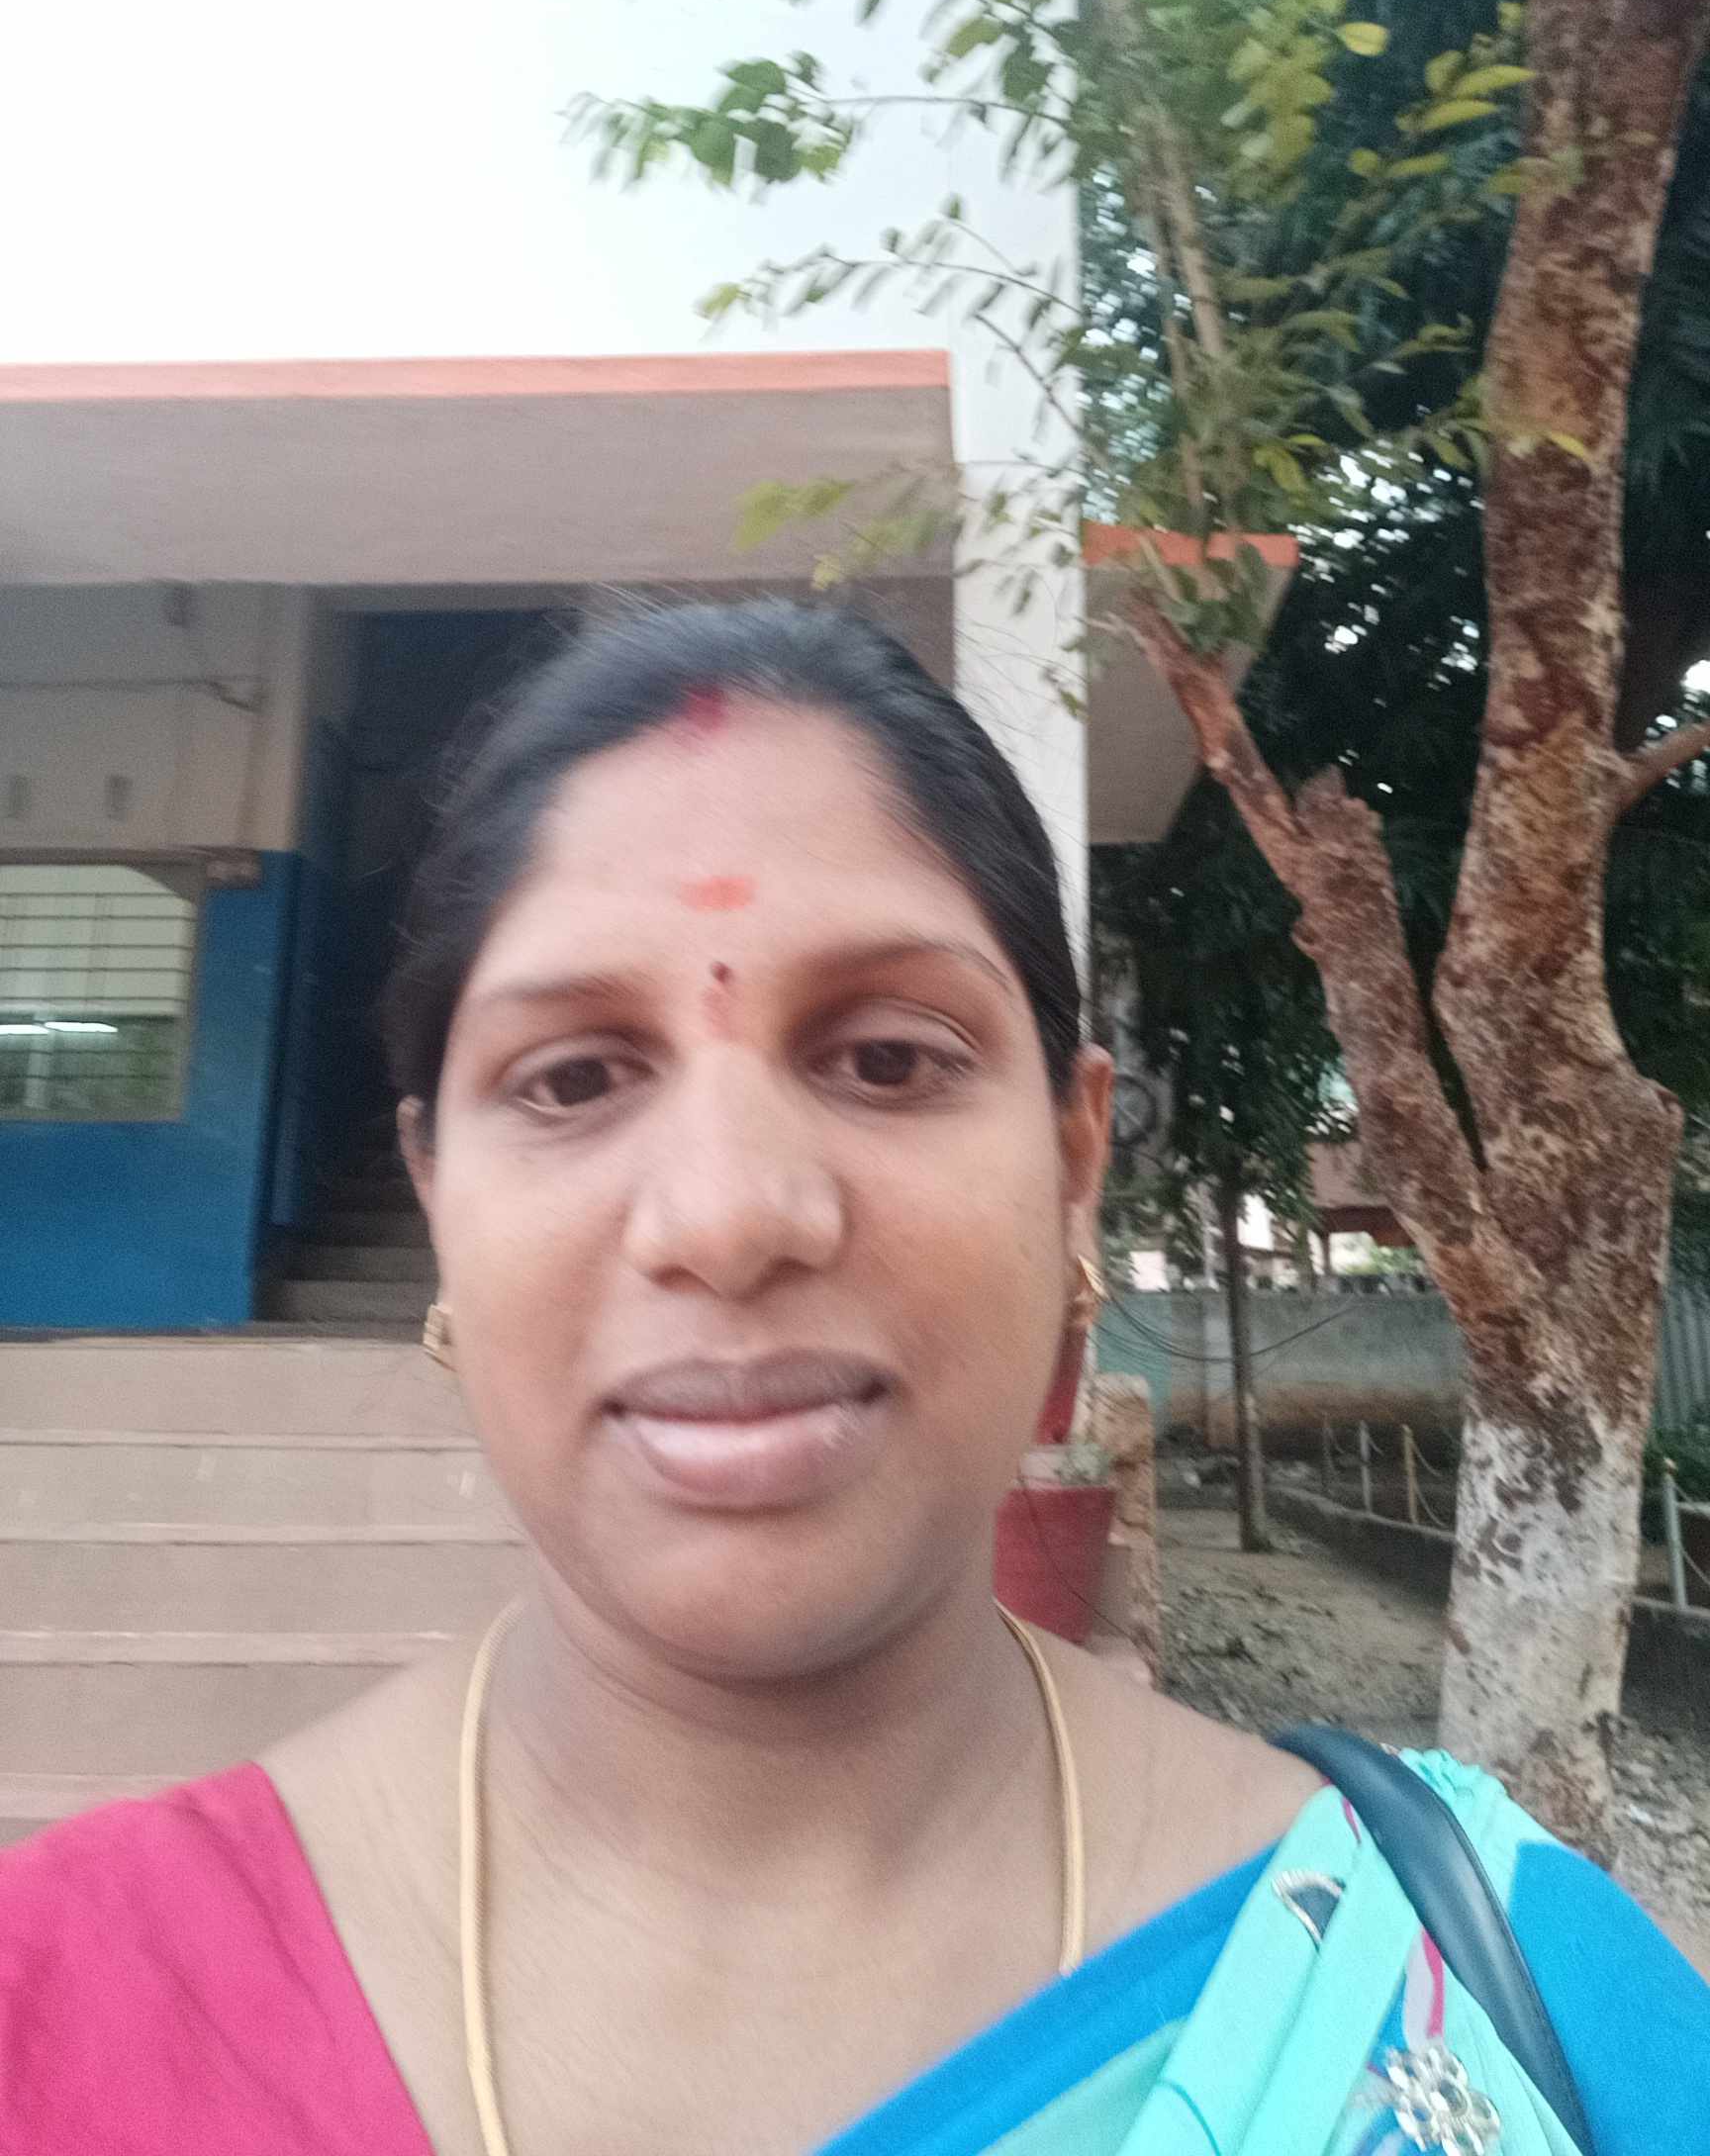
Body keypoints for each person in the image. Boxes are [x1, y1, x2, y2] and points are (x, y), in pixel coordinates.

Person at [1, 601, 1704, 2156]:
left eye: (889, 1055)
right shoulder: (61, 2012)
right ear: (438, 1191)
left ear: (1073, 1163)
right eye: (575, 1076)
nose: (732, 1215)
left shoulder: (1518, 2016)